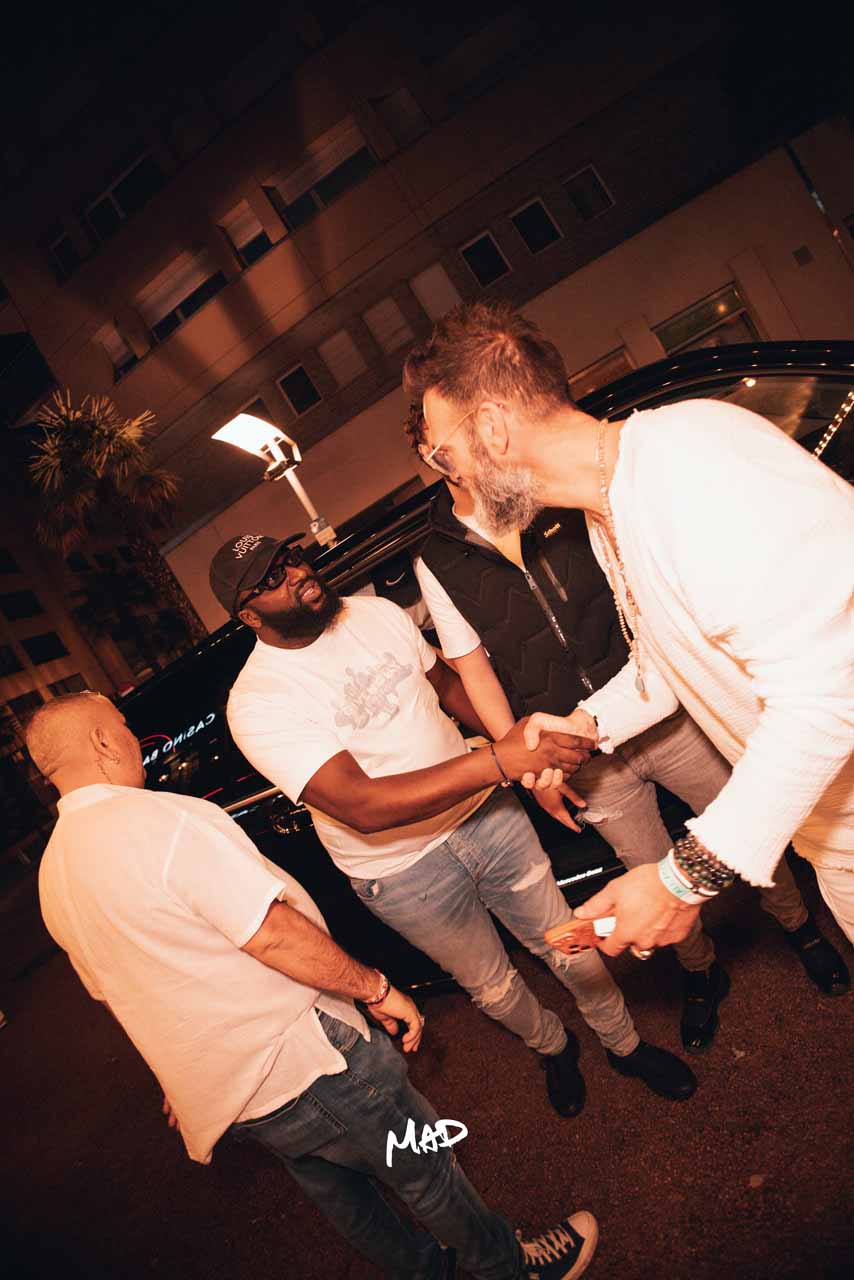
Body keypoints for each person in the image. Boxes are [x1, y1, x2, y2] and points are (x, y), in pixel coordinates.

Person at [29, 691, 599, 1280]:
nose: (133, 741)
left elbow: (118, 991)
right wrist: (375, 989)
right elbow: (271, 934)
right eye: (123, 728)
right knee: (425, 1168)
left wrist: (174, 1074)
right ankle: (511, 1269)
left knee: (349, 1202)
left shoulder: (55, 873)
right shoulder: (160, 821)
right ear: (102, 742)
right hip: (302, 1060)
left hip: (238, 1098)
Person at [401, 300, 854, 961]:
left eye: (446, 455)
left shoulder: (688, 464)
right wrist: (585, 723)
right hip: (833, 838)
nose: (454, 477)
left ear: (492, 429)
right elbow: (669, 659)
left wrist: (683, 879)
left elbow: (827, 696)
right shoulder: (608, 512)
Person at [212, 533, 697, 1119]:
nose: (295, 573)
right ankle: (554, 1047)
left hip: (487, 816)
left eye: (289, 558)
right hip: (401, 872)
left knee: (565, 939)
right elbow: (360, 804)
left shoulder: (373, 614)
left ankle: (624, 1044)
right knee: (493, 985)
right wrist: (501, 762)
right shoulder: (258, 700)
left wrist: (519, 749)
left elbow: (445, 685)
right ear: (249, 615)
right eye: (271, 579)